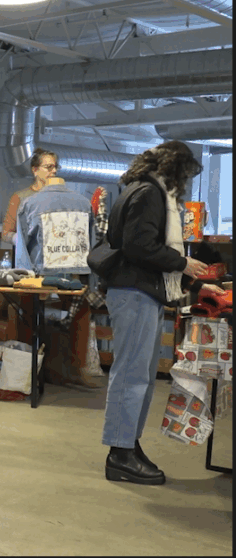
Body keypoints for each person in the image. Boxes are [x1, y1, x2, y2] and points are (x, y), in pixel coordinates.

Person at [101, 140, 224, 485]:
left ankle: (128, 445)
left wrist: (197, 286)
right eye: (184, 175)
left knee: (138, 376)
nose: (183, 184)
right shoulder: (149, 194)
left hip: (139, 291)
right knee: (131, 376)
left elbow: (147, 250)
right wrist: (185, 264)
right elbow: (139, 246)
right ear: (174, 169)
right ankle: (120, 455)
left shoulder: (140, 189)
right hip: (134, 291)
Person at [1, 148, 58, 245]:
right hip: (28, 256)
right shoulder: (20, 197)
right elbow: (5, 234)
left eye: (55, 167)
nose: (54, 171)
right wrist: (21, 240)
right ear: (35, 170)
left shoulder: (59, 197)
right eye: (49, 167)